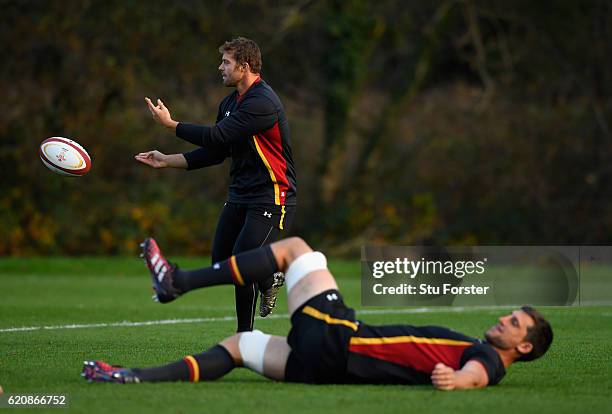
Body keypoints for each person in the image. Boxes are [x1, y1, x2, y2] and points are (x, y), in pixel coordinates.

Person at [82, 237, 553, 390]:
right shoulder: (480, 351)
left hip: (337, 337)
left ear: (524, 347)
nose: (504, 320)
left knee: (297, 249)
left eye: (515, 324)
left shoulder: (487, 361)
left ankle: (176, 282)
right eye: (510, 315)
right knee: (239, 346)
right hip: (325, 369)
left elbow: (477, 375)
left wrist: (459, 380)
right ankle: (131, 376)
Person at [136, 37, 297, 331]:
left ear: (244, 67)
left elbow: (215, 136)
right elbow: (216, 152)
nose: (219, 67)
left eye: (226, 62)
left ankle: (244, 337)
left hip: (271, 195)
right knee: (221, 259)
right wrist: (166, 160)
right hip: (240, 193)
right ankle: (269, 275)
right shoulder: (229, 103)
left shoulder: (262, 102)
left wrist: (172, 125)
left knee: (243, 263)